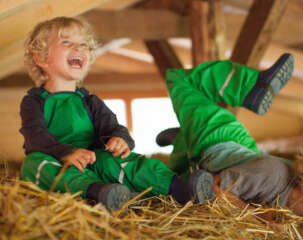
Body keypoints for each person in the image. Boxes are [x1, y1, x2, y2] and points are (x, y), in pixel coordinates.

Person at [156, 55, 303, 239]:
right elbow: (215, 187)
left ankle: (182, 138)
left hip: (246, 157)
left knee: (180, 172)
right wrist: (256, 217)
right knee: (180, 81)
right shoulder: (272, 175)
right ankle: (252, 85)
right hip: (218, 138)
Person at [19, 16, 214, 212]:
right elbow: (35, 137)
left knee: (124, 161)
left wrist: (120, 139)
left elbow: (112, 127)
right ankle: (100, 192)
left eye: (84, 44)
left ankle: (179, 188)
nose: (78, 48)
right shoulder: (34, 102)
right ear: (41, 58)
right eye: (66, 42)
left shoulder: (90, 101)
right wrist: (66, 153)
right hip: (57, 160)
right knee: (33, 164)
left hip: (94, 160)